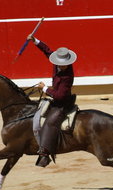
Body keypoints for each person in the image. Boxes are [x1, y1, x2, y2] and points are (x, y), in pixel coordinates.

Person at [28, 35, 77, 167]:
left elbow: (60, 96)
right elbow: (48, 51)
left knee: (50, 122)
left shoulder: (67, 76)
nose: (62, 66)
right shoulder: (57, 63)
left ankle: (45, 154)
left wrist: (44, 88)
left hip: (63, 104)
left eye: (65, 64)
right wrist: (35, 41)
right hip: (55, 99)